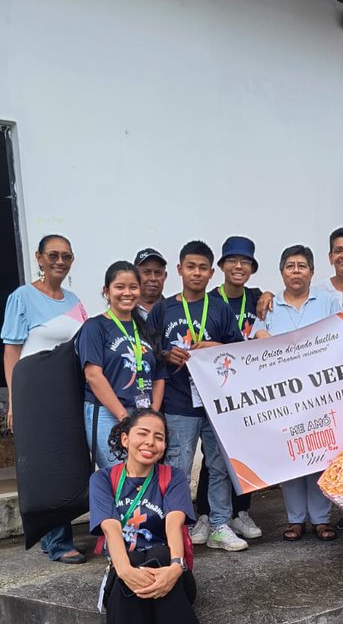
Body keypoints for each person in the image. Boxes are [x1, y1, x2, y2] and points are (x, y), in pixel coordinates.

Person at [89, 409, 203, 624]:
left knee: (159, 555)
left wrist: (176, 567)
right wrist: (124, 569)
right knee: (128, 564)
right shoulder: (103, 479)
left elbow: (174, 523)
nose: (151, 442)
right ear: (125, 438)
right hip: (126, 571)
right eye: (143, 433)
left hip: (169, 569)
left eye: (159, 437)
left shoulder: (173, 477)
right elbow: (111, 527)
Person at [149, 241, 248, 552]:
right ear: (179, 270)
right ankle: (179, 525)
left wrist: (214, 348)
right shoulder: (163, 309)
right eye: (190, 267)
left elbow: (240, 351)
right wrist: (166, 354)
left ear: (211, 271)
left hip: (216, 403)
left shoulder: (220, 308)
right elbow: (149, 354)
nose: (196, 273)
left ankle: (220, 523)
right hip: (178, 403)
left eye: (203, 268)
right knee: (178, 465)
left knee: (219, 465)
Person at [1, 234, 87, 563]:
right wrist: (15, 400)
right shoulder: (22, 297)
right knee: (47, 467)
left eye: (66, 256)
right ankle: (56, 541)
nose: (60, 261)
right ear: (39, 257)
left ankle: (63, 532)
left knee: (66, 464)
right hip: (35, 396)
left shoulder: (74, 299)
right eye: (53, 255)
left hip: (67, 392)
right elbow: (11, 351)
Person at [253, 244, 340, 540]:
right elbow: (254, 345)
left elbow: (342, 338)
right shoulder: (269, 305)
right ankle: (295, 519)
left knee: (320, 450)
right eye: (290, 266)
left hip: (321, 392)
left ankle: (321, 518)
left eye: (302, 266)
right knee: (290, 456)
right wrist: (260, 336)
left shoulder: (328, 302)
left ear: (312, 272)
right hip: (283, 397)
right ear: (281, 272)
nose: (296, 271)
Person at [192, 235, 264, 544]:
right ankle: (206, 515)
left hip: (249, 387)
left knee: (245, 449)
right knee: (214, 454)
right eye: (232, 261)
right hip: (216, 387)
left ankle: (240, 511)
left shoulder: (259, 297)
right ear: (220, 266)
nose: (238, 266)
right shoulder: (209, 300)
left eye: (245, 262)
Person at [78, 262, 162, 469]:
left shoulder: (146, 328)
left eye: (133, 287)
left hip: (142, 412)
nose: (127, 293)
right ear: (106, 291)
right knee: (119, 475)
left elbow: (159, 375)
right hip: (108, 413)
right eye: (119, 287)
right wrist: (124, 418)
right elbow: (93, 375)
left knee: (143, 474)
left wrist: (152, 415)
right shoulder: (94, 327)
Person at [134, 248, 168, 320]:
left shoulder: (174, 311)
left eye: (158, 272)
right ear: (135, 275)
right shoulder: (124, 312)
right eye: (146, 272)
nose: (153, 278)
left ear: (165, 276)